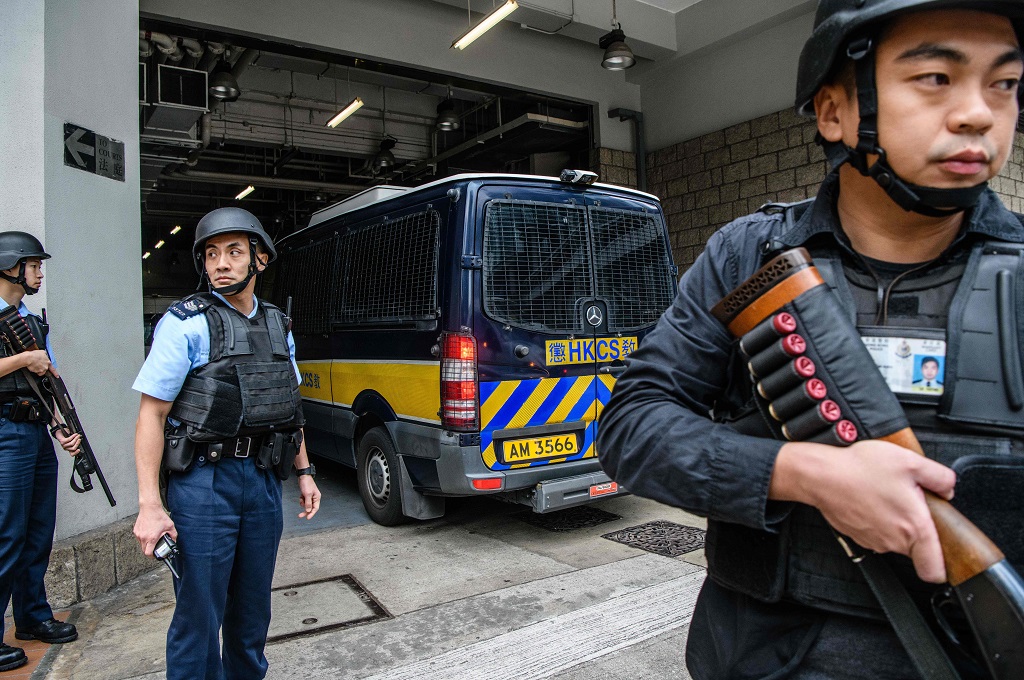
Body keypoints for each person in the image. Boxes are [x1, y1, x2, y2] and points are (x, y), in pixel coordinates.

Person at [597, 1, 1024, 678]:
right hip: (763, 657)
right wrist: (805, 475)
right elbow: (633, 428)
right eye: (935, 78)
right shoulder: (748, 256)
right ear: (833, 112)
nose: (978, 113)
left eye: (1004, 83)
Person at [131, 207, 321, 680]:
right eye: (211, 254)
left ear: (260, 259)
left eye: (234, 252)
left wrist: (304, 471)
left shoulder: (278, 324)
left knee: (252, 613)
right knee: (199, 616)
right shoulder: (185, 322)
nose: (221, 263)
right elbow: (152, 414)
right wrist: (150, 505)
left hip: (261, 481)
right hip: (203, 484)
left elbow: (288, 404)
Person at [0, 232, 81, 673]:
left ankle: (32, 616)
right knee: (6, 533)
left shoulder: (28, 320)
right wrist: (22, 360)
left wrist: (60, 426)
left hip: (34, 429)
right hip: (4, 431)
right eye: (33, 264)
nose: (39, 272)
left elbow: (45, 379)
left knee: (37, 530)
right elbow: (29, 365)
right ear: (9, 266)